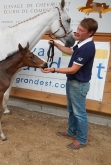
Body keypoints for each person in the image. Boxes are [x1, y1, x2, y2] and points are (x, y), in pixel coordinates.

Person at [40, 18, 98, 149]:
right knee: (72, 109)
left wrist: (54, 69)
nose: (77, 32)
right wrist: (56, 44)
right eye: (78, 28)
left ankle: (82, 139)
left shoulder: (87, 48)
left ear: (90, 33)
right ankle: (72, 131)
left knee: (79, 113)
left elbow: (73, 69)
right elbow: (70, 51)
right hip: (72, 82)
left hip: (78, 84)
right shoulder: (81, 43)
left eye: (81, 30)